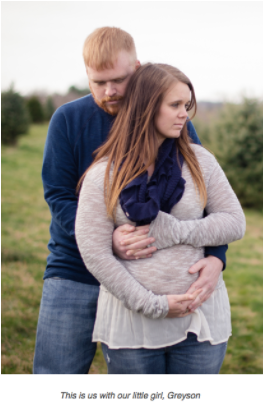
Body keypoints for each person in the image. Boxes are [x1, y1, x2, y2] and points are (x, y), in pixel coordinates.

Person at [33, 27, 228, 374]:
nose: (109, 92)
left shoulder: (171, 119)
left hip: (147, 275)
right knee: (56, 376)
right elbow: (59, 195)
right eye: (97, 82)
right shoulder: (68, 120)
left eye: (119, 80)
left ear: (137, 69)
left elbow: (205, 195)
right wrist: (107, 238)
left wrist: (217, 257)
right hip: (76, 270)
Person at [75, 63, 246, 374]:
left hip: (200, 316)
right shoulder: (104, 173)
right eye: (175, 105)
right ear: (147, 106)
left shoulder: (199, 161)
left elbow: (234, 221)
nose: (184, 114)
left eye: (187, 105)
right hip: (132, 323)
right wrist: (155, 306)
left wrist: (176, 230)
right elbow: (95, 253)